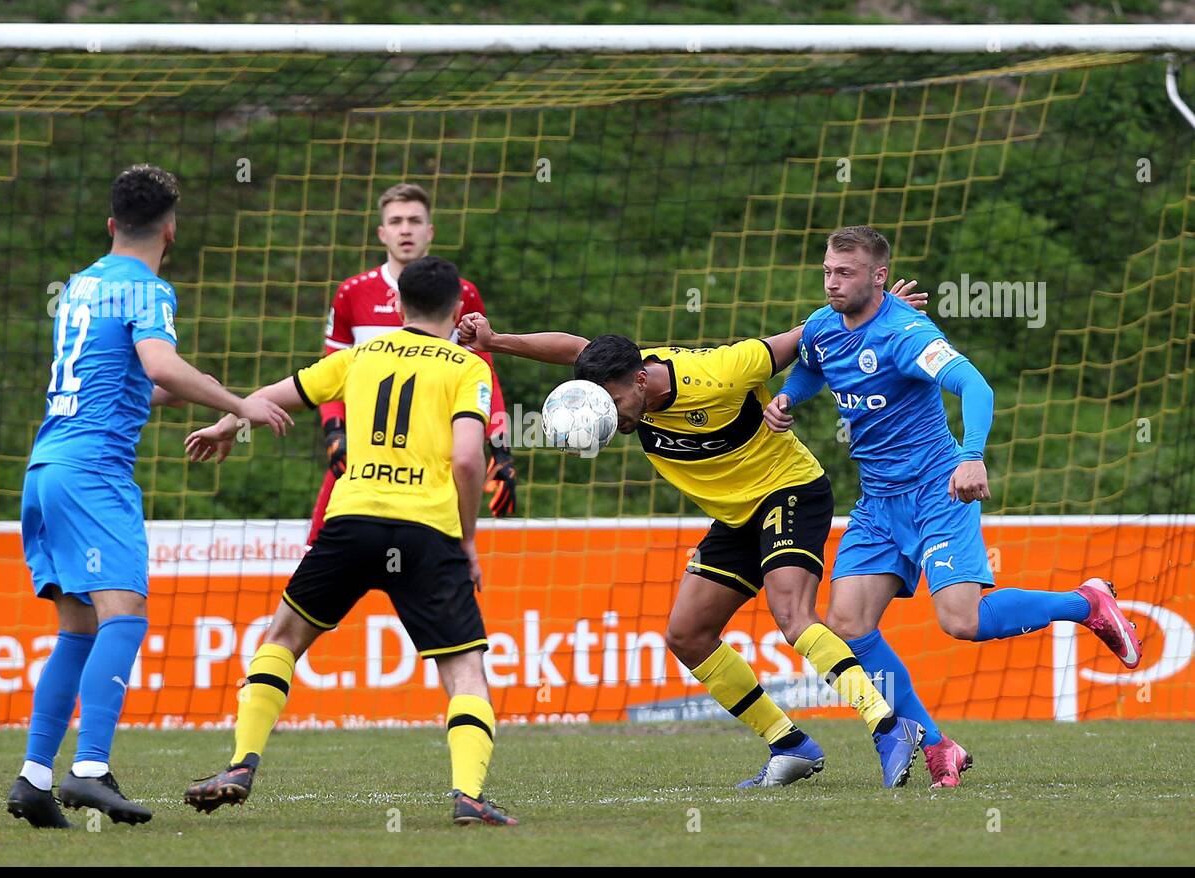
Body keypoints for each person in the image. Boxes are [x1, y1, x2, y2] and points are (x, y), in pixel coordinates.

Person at [457, 280, 935, 790]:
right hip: (734, 517)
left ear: (641, 379)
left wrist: (876, 319)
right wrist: (496, 340)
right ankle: (790, 745)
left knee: (793, 617)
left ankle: (888, 727)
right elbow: (574, 347)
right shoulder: (617, 374)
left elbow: (800, 336)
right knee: (687, 635)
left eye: (614, 400)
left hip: (788, 490)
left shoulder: (720, 373)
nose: (609, 414)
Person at [768, 225, 1142, 787]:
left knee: (961, 621)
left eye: (844, 273)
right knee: (846, 623)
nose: (831, 282)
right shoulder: (822, 327)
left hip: (938, 491)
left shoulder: (907, 332)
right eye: (826, 270)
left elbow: (977, 386)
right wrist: (786, 397)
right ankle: (939, 746)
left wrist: (971, 457)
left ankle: (1083, 603)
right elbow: (811, 368)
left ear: (879, 276)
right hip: (877, 503)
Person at [8, 164, 293, 828]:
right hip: (93, 472)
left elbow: (129, 379)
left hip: (46, 466)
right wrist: (238, 403)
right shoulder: (149, 289)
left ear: (112, 225)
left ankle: (33, 778)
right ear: (171, 228)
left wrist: (200, 396)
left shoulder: (81, 286)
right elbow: (161, 366)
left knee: (77, 628)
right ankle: (90, 770)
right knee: (126, 612)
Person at [183, 256, 516, 825]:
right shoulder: (468, 367)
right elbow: (466, 457)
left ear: (401, 303)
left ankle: (240, 764)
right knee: (463, 669)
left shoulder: (359, 357)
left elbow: (278, 394)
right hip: (426, 533)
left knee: (283, 638)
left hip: (352, 522)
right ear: (459, 307)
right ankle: (468, 797)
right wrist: (467, 540)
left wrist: (226, 424)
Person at [308, 183, 516, 547]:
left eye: (415, 220)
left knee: (437, 574)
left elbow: (484, 375)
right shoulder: (352, 293)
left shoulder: (461, 293)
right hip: (362, 459)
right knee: (321, 566)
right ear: (382, 232)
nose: (406, 229)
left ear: (430, 231)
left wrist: (499, 447)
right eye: (397, 221)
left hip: (434, 463)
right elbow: (329, 374)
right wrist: (334, 434)